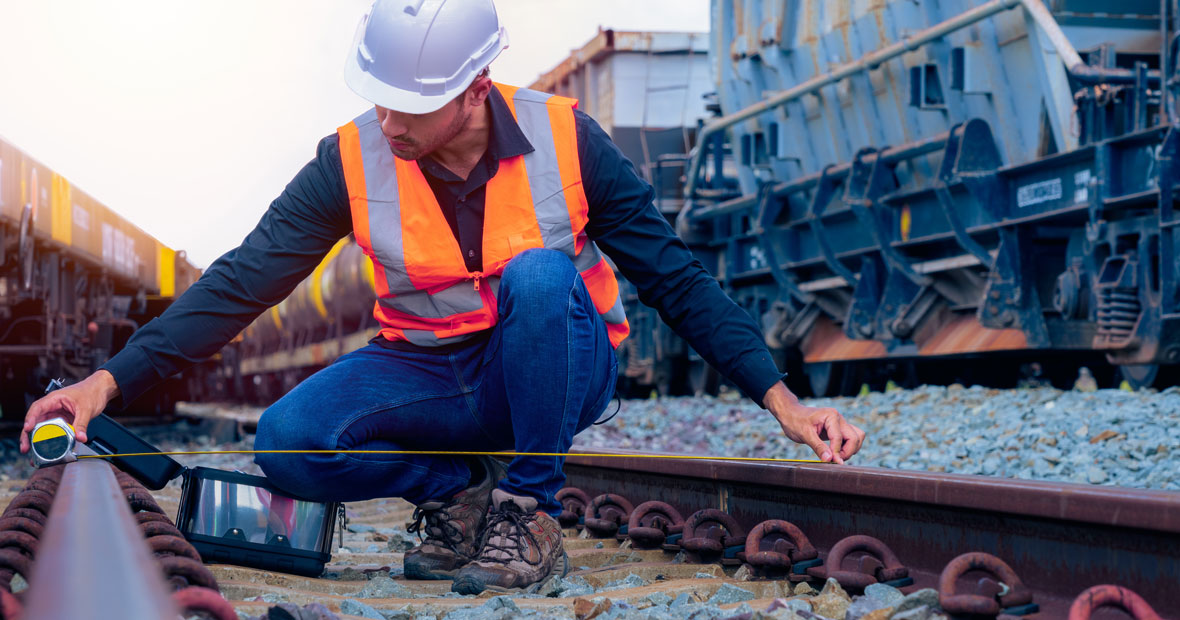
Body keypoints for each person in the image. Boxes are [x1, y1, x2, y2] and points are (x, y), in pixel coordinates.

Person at [21, 0, 865, 594]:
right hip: (425, 373)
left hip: (549, 369)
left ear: (473, 91)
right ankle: (456, 493)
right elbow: (246, 278)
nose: (388, 123)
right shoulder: (349, 160)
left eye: (408, 106)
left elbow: (675, 279)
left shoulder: (568, 140)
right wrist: (107, 382)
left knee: (538, 273)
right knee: (287, 442)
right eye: (380, 99)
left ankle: (528, 515)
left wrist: (780, 399)